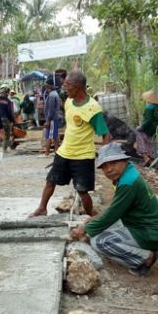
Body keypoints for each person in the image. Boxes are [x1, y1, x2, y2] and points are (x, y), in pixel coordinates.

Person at [69, 143, 158, 276]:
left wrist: (85, 229)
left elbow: (112, 215)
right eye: (104, 166)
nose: (109, 169)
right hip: (144, 226)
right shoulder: (128, 174)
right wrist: (93, 224)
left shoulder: (128, 183)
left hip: (150, 233)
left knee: (99, 242)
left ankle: (145, 258)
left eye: (113, 163)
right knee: (97, 228)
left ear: (125, 160)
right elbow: (116, 209)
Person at [30, 70, 110, 218]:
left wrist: (106, 158)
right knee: (50, 181)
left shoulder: (93, 108)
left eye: (67, 86)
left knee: (82, 190)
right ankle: (42, 208)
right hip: (64, 152)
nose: (64, 89)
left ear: (78, 87)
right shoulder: (68, 102)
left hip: (83, 156)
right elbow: (71, 126)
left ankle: (91, 216)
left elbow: (105, 134)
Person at [135, 90, 158, 166]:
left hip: (150, 129)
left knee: (139, 136)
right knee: (156, 142)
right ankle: (154, 157)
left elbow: (148, 121)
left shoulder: (149, 108)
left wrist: (141, 127)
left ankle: (146, 156)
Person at [42, 75, 64, 157]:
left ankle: (47, 153)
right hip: (54, 118)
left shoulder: (51, 95)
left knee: (49, 136)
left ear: (48, 87)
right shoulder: (54, 94)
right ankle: (56, 151)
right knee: (54, 136)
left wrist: (47, 120)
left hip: (52, 119)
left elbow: (51, 109)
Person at [0, 84, 15, 152]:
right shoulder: (8, 101)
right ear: (7, 92)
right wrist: (12, 120)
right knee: (7, 134)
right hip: (4, 119)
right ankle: (4, 149)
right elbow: (9, 112)